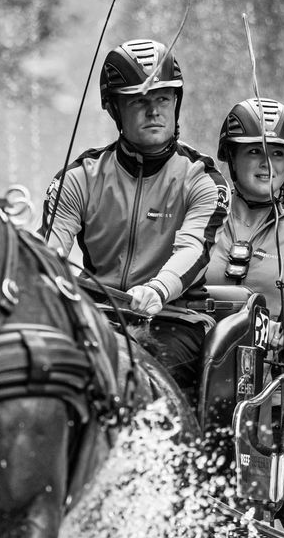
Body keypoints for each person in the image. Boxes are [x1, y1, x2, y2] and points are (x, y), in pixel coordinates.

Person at [41, 38, 228, 400]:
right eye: (139, 100)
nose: (154, 111)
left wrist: (158, 289)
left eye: (163, 98)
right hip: (94, 313)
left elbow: (193, 250)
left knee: (147, 375)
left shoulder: (202, 178)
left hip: (173, 319)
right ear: (114, 108)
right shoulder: (80, 177)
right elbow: (50, 252)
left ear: (176, 102)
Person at [203, 98, 284, 355]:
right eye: (254, 151)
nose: (268, 164)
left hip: (263, 379)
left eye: (278, 153)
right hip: (189, 360)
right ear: (231, 156)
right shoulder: (202, 212)